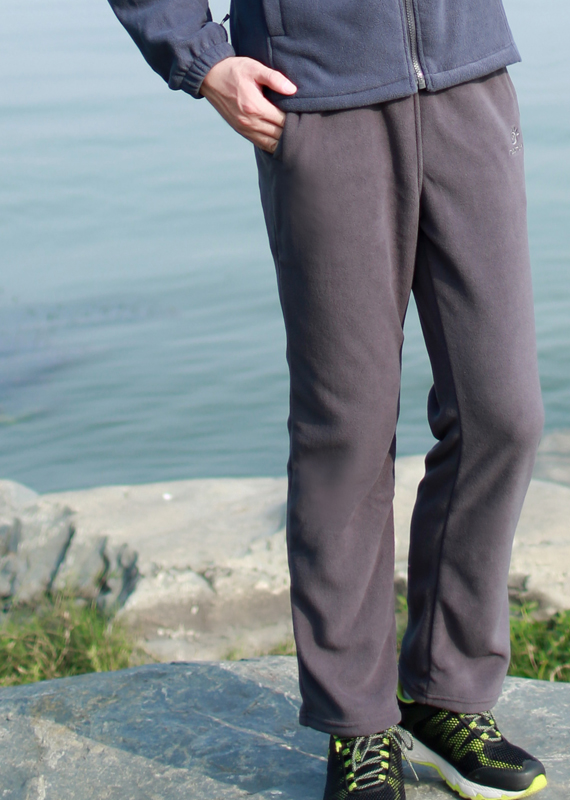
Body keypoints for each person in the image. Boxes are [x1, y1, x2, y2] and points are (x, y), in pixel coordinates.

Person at [106, 1, 547, 797]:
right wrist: (203, 60)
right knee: (347, 431)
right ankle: (358, 723)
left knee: (504, 416)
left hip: (469, 83)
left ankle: (446, 693)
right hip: (320, 101)